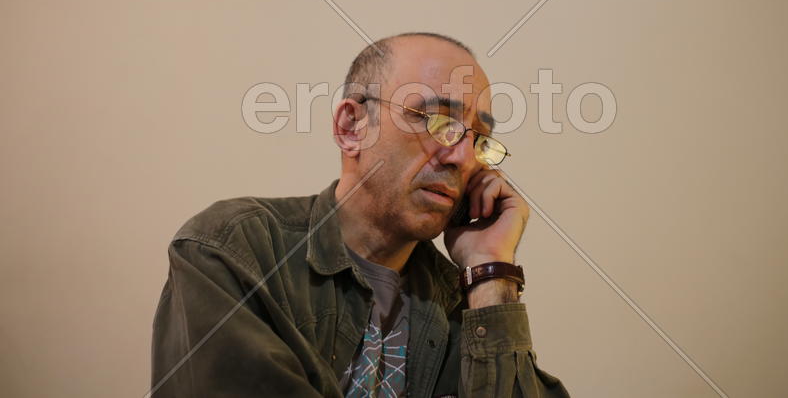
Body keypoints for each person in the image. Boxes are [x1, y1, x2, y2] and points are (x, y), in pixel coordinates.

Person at [151, 33, 569, 396]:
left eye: (480, 139)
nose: (462, 158)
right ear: (352, 127)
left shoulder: (466, 304)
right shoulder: (235, 248)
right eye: (438, 121)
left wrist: (491, 271)